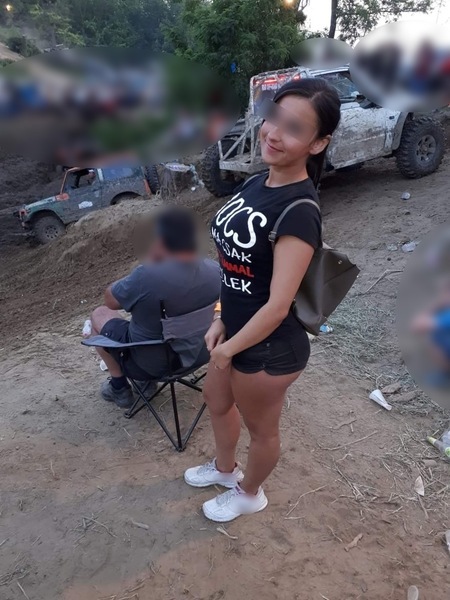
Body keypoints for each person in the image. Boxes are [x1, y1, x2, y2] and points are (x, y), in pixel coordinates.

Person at [184, 78, 341, 522]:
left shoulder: (299, 212)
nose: (273, 133)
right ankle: (224, 470)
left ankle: (250, 493)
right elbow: (234, 266)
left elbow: (276, 306)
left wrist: (229, 350)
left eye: (294, 128)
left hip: (270, 347)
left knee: (262, 430)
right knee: (215, 401)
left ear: (318, 143)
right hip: (234, 331)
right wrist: (220, 316)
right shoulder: (256, 183)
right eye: (274, 118)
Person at [90, 206, 221, 408]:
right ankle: (143, 385)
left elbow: (110, 301)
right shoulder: (214, 269)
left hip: (151, 365)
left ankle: (119, 387)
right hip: (201, 354)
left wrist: (150, 263)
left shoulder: (146, 275)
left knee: (99, 314)